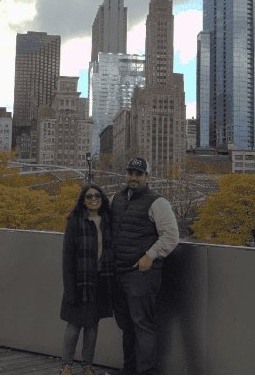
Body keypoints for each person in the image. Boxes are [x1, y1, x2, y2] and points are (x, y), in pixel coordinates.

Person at [111, 157, 179, 375]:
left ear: (147, 177)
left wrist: (150, 255)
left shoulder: (157, 202)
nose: (134, 177)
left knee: (142, 325)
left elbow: (171, 236)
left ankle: (146, 372)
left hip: (142, 275)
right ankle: (128, 370)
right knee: (126, 325)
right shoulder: (117, 199)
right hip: (119, 272)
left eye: (139, 174)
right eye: (130, 173)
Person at [60, 183, 114, 375]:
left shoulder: (108, 220)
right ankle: (66, 366)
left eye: (97, 196)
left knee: (92, 325)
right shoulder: (75, 221)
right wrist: (69, 288)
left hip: (100, 281)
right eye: (89, 196)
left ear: (102, 199)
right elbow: (67, 258)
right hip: (79, 281)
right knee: (74, 325)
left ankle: (87, 367)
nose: (93, 200)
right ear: (83, 200)